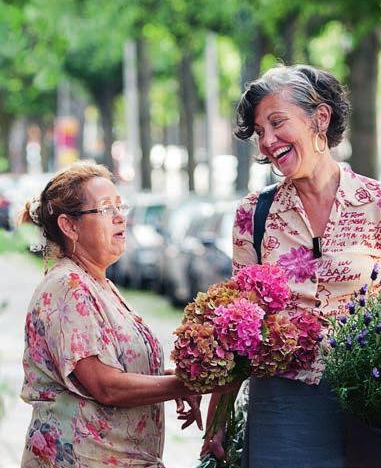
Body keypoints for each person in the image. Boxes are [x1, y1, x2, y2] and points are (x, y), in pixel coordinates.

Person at [202, 64, 381, 467]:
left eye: (277, 123)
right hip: (283, 406)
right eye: (260, 132)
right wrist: (219, 415)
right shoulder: (252, 215)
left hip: (370, 401)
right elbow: (240, 326)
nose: (268, 142)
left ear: (319, 118)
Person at [19, 162, 237, 468]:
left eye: (121, 206)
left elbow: (119, 370)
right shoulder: (66, 286)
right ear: (70, 226)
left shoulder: (99, 284)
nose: (121, 217)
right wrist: (187, 386)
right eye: (106, 209)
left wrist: (179, 377)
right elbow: (105, 385)